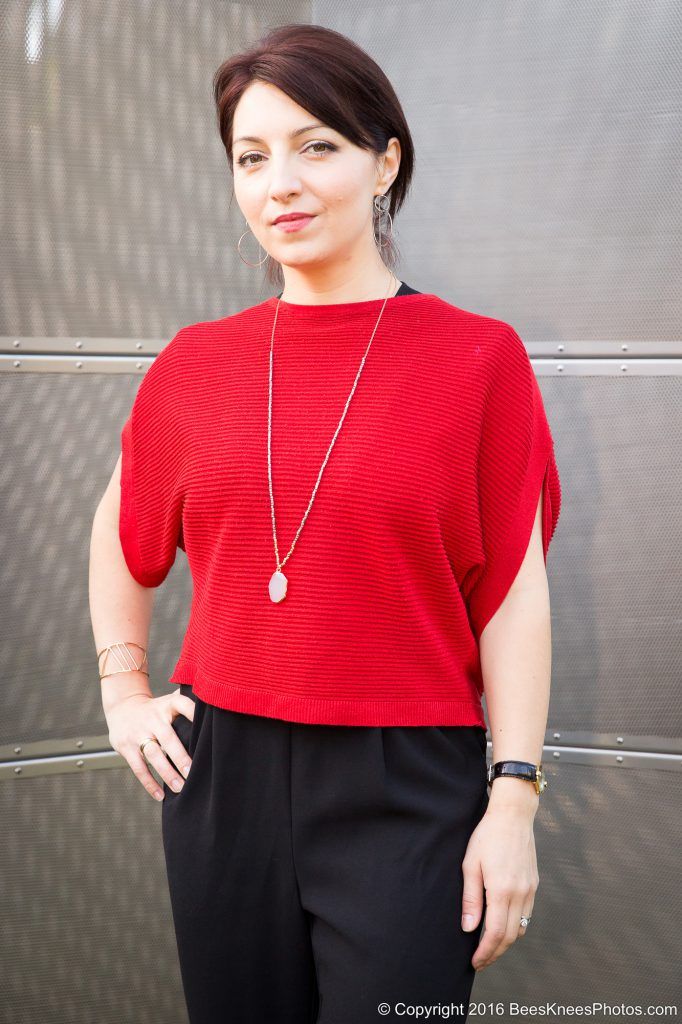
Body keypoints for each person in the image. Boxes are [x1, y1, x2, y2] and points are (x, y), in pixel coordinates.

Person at [89, 23, 561, 1024]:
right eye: (251, 158)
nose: (280, 184)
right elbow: (118, 528)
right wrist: (123, 687)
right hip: (223, 775)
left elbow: (512, 595)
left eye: (316, 146)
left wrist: (512, 794)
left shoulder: (477, 360)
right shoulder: (196, 363)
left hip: (407, 781)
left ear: (383, 159)